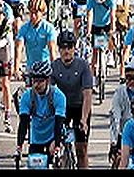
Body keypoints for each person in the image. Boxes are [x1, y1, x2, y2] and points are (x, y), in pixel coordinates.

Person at [51, 29, 93, 168]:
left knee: (81, 150)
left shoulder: (83, 66)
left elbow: (87, 94)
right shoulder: (54, 66)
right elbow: (49, 94)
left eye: (69, 47)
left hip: (80, 107)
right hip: (62, 108)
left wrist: (84, 119)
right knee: (55, 148)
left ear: (74, 48)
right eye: (63, 47)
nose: (66, 51)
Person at [16, 59, 68, 167]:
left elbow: (59, 122)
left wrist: (57, 144)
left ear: (47, 80)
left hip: (54, 135)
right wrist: (19, 145)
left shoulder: (58, 96)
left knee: (54, 161)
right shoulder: (27, 96)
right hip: (36, 138)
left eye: (40, 81)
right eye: (34, 81)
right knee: (34, 165)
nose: (36, 85)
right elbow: (24, 123)